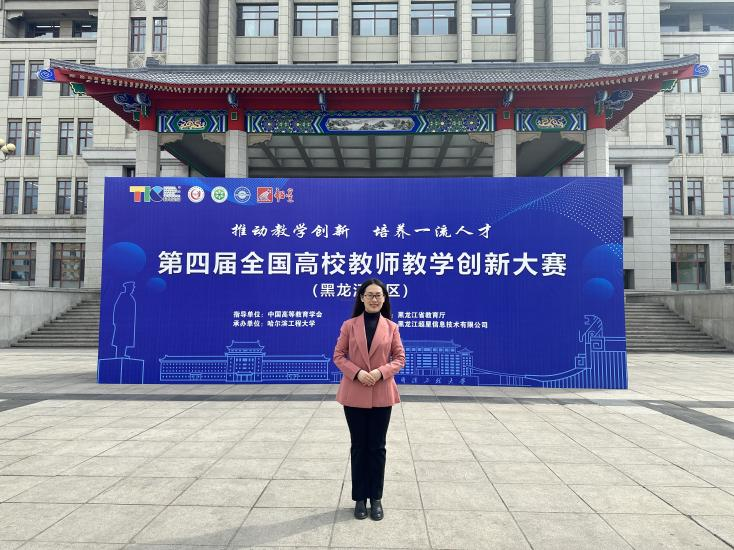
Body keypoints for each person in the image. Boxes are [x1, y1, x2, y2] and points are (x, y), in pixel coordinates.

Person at [333, 278, 406, 521]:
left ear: (384, 299)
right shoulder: (349, 325)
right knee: (358, 447)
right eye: (370, 295)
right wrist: (357, 373)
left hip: (382, 393)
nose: (374, 299)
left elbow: (399, 358)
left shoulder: (392, 327)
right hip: (354, 393)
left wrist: (380, 372)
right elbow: (338, 355)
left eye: (378, 295)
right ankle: (359, 499)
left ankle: (376, 498)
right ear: (362, 298)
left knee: (377, 447)